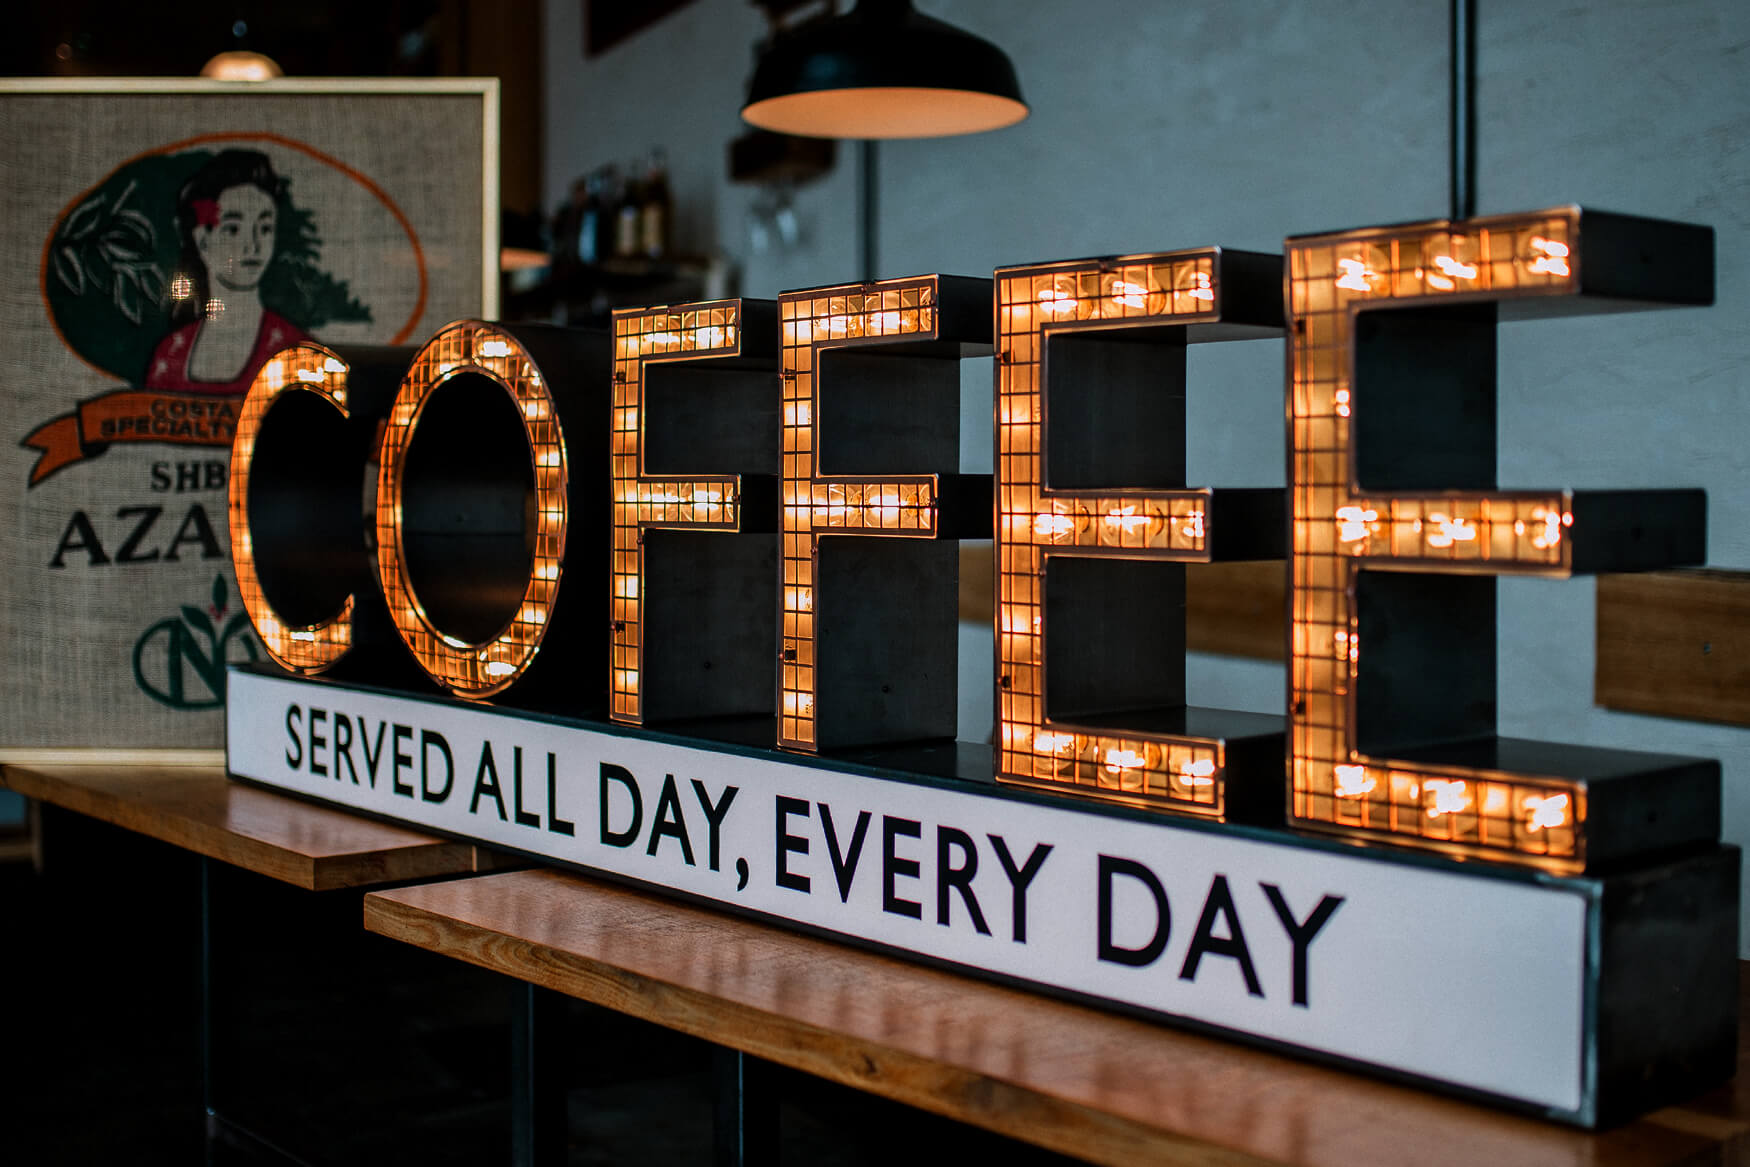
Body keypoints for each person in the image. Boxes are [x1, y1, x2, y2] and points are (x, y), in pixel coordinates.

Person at [144, 149, 307, 394]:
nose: (252, 245)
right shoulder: (171, 354)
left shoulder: (296, 352)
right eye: (232, 229)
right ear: (202, 241)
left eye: (264, 228)